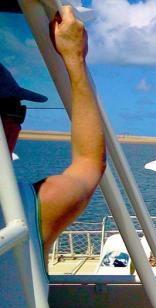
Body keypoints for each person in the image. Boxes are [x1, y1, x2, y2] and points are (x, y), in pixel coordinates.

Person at [0, 6, 105, 265]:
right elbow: (89, 162)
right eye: (17, 110)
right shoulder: (21, 212)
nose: (20, 125)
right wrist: (75, 58)